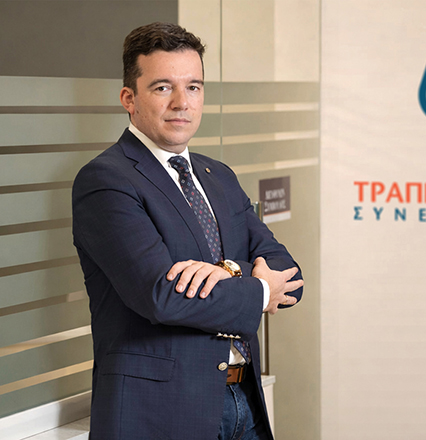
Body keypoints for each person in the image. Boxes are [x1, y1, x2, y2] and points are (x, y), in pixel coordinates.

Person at [72, 22, 303, 440]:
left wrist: (231, 270)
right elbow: (162, 295)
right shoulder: (107, 180)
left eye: (193, 87)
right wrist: (259, 291)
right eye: (163, 87)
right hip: (160, 413)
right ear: (129, 98)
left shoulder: (219, 177)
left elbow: (288, 274)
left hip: (244, 404)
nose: (182, 102)